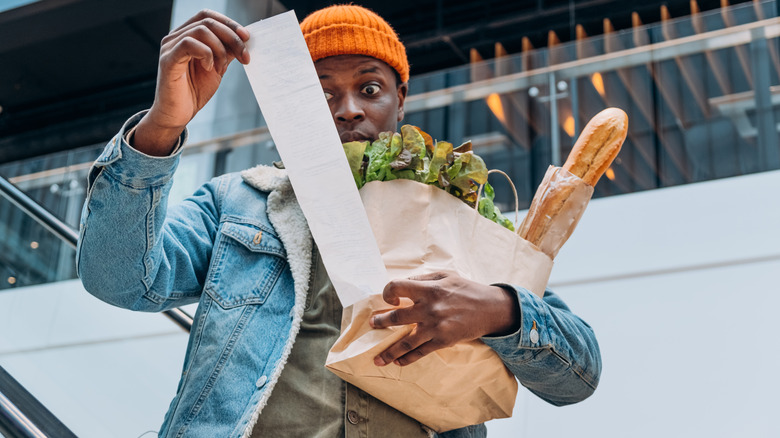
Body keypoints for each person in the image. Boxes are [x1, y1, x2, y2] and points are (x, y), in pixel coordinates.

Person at [76, 5, 601, 438]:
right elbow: (120, 279)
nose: (347, 109)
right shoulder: (236, 200)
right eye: (322, 91)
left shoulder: (460, 213)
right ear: (291, 106)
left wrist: (500, 309)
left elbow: (578, 376)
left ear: (401, 102)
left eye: (369, 89)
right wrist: (162, 125)